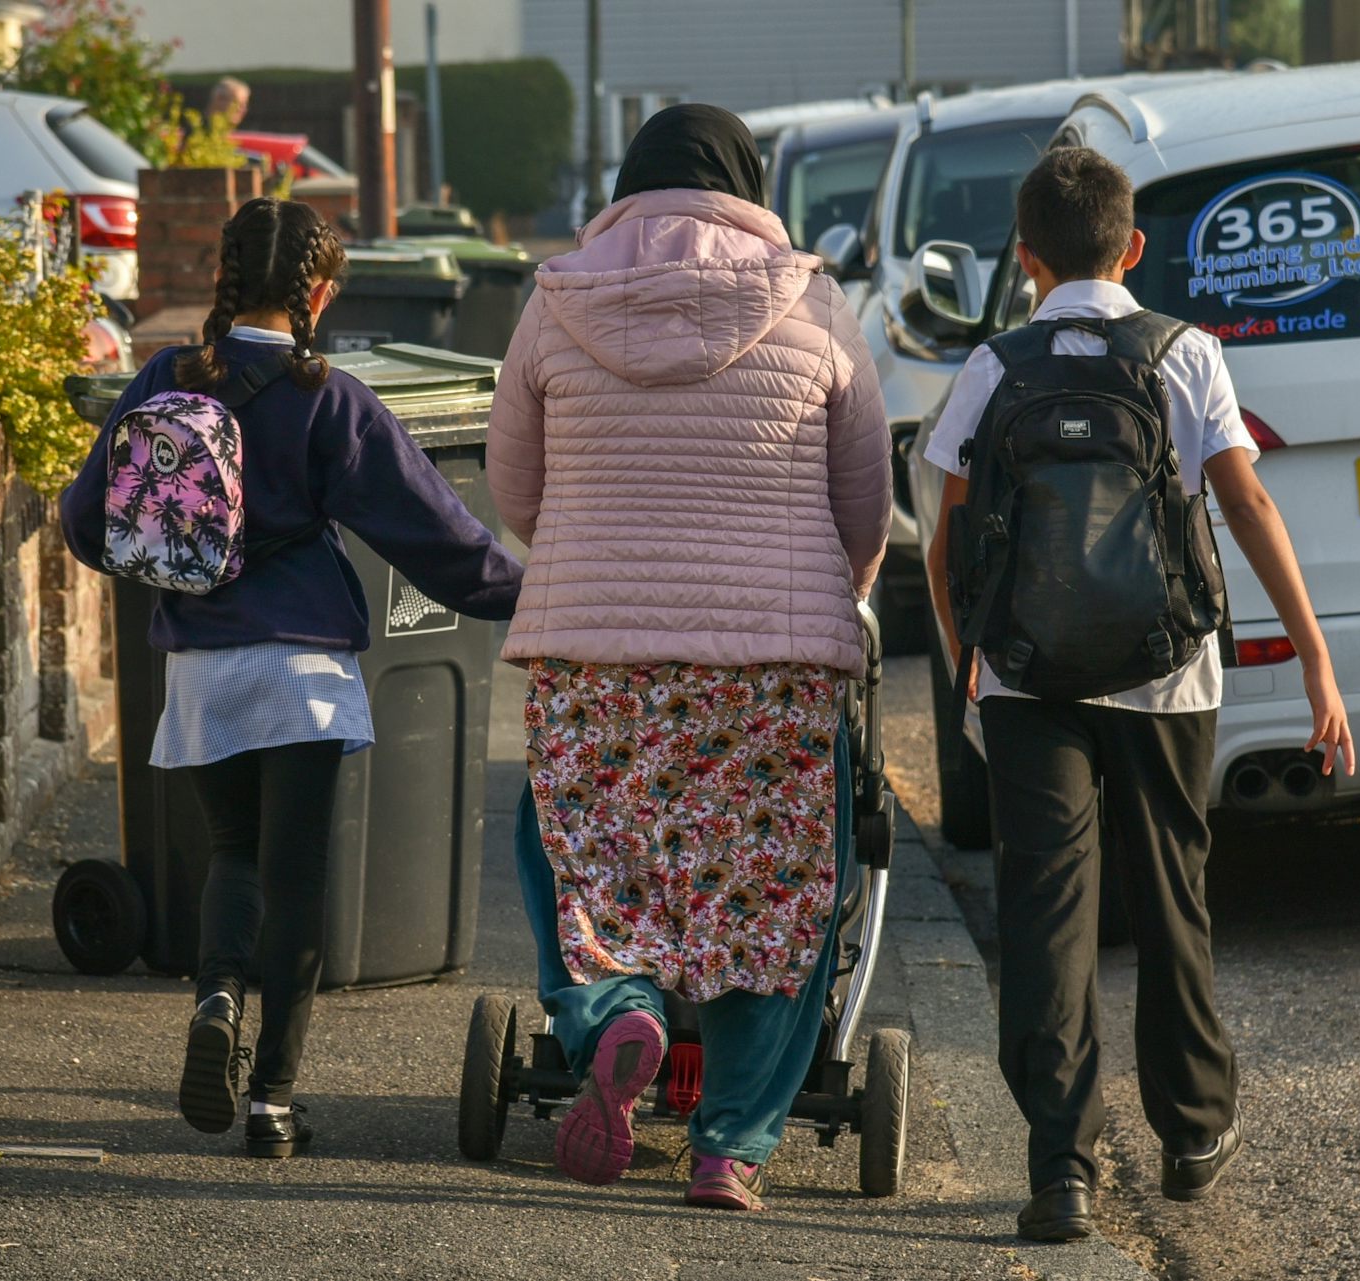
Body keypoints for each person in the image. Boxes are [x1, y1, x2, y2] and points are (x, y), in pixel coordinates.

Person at [921, 147, 1356, 1241]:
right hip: (1166, 673)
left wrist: (973, 660)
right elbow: (1246, 504)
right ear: (1136, 246)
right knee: (1173, 895)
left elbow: (947, 541)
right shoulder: (1185, 354)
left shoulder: (992, 369)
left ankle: (1060, 1172)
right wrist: (1312, 653)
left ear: (1025, 260)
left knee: (1048, 911)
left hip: (1027, 680)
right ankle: (1193, 1133)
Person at [488, 103, 891, 1211]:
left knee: (584, 850)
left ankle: (618, 1006)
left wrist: (588, 559)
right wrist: (833, 592)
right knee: (769, 895)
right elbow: (867, 507)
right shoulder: (814, 301)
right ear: (749, 184)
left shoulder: (557, 298)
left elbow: (513, 485)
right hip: (771, 668)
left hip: (597, 658)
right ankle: (731, 1145)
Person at [59, 198, 522, 1158]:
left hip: (198, 670)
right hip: (303, 670)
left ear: (227, 277)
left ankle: (217, 995)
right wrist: (537, 596)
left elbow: (81, 521)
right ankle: (271, 1099)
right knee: (297, 877)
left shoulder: (161, 380)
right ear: (318, 293)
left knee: (232, 855)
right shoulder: (331, 398)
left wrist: (178, 564)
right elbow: (437, 538)